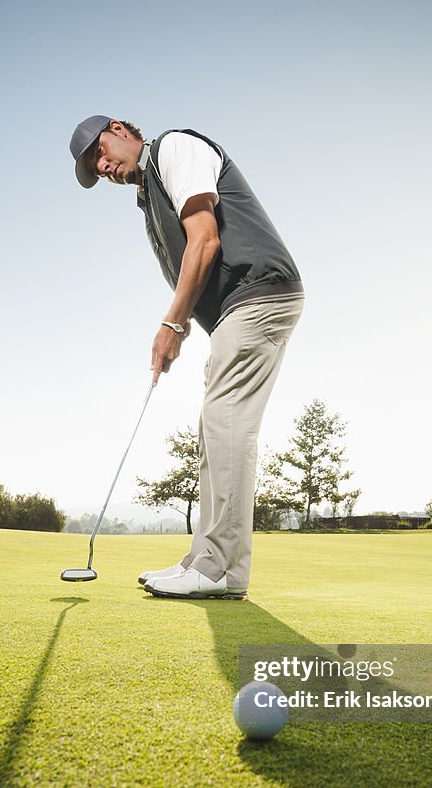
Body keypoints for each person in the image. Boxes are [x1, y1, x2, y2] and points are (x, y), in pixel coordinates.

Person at [68, 117, 303, 600]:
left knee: (227, 423)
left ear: (120, 129)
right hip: (237, 309)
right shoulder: (149, 195)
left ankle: (222, 570)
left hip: (258, 293)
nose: (105, 166)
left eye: (103, 152)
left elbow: (206, 239)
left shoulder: (173, 148)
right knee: (213, 430)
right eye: (97, 167)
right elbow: (193, 271)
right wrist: (184, 324)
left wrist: (172, 325)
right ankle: (202, 560)